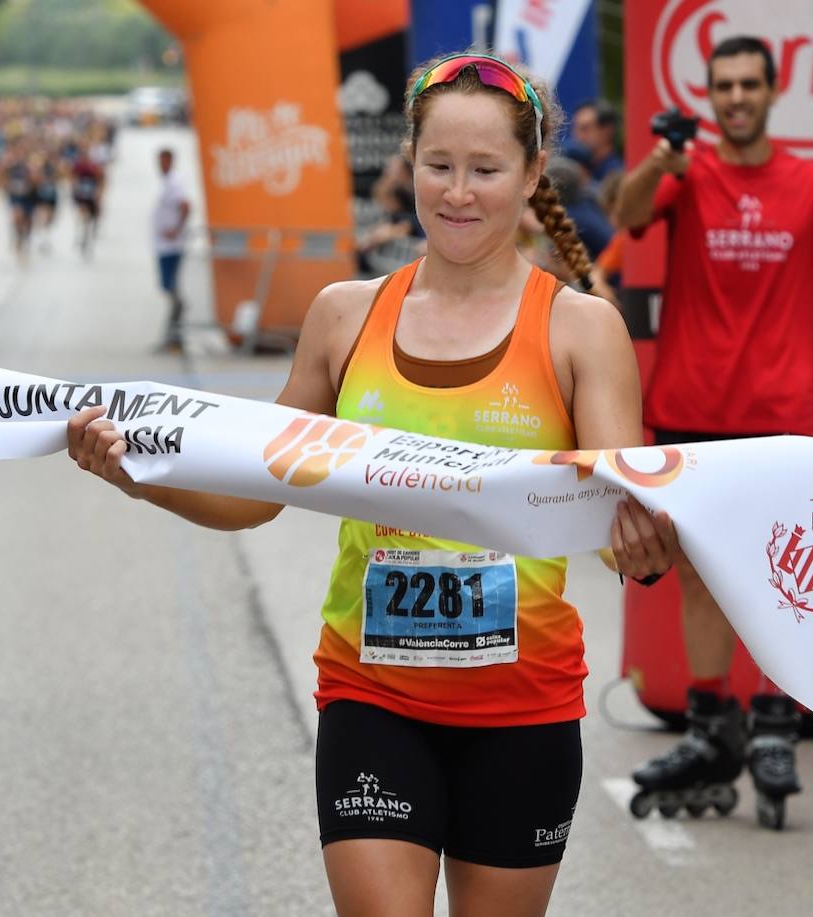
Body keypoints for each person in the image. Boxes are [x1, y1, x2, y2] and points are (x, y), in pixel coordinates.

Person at [68, 51, 676, 916]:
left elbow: (626, 531)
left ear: (533, 172)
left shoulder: (582, 330)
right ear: (409, 163)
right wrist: (140, 474)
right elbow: (257, 490)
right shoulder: (344, 316)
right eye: (438, 166)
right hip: (372, 692)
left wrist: (649, 553)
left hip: (524, 707)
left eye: (486, 170)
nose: (457, 192)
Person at [614, 36, 813, 829]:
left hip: (776, 418)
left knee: (778, 578)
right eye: (721, 85)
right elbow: (625, 218)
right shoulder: (685, 174)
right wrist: (662, 161)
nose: (733, 97)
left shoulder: (811, 184)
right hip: (690, 404)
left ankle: (772, 722)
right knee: (699, 574)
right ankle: (707, 724)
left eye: (747, 84)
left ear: (772, 88)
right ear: (710, 92)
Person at [152, 147, 190, 352]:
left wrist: (176, 230)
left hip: (171, 246)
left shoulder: (175, 181)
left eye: (163, 161)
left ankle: (175, 334)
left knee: (172, 289)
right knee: (167, 288)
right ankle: (172, 334)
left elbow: (185, 205)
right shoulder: (167, 182)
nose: (160, 165)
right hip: (163, 245)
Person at [566, 99, 623, 183]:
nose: (577, 135)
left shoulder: (617, 173)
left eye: (585, 129)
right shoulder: (577, 165)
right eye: (575, 128)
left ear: (607, 131)